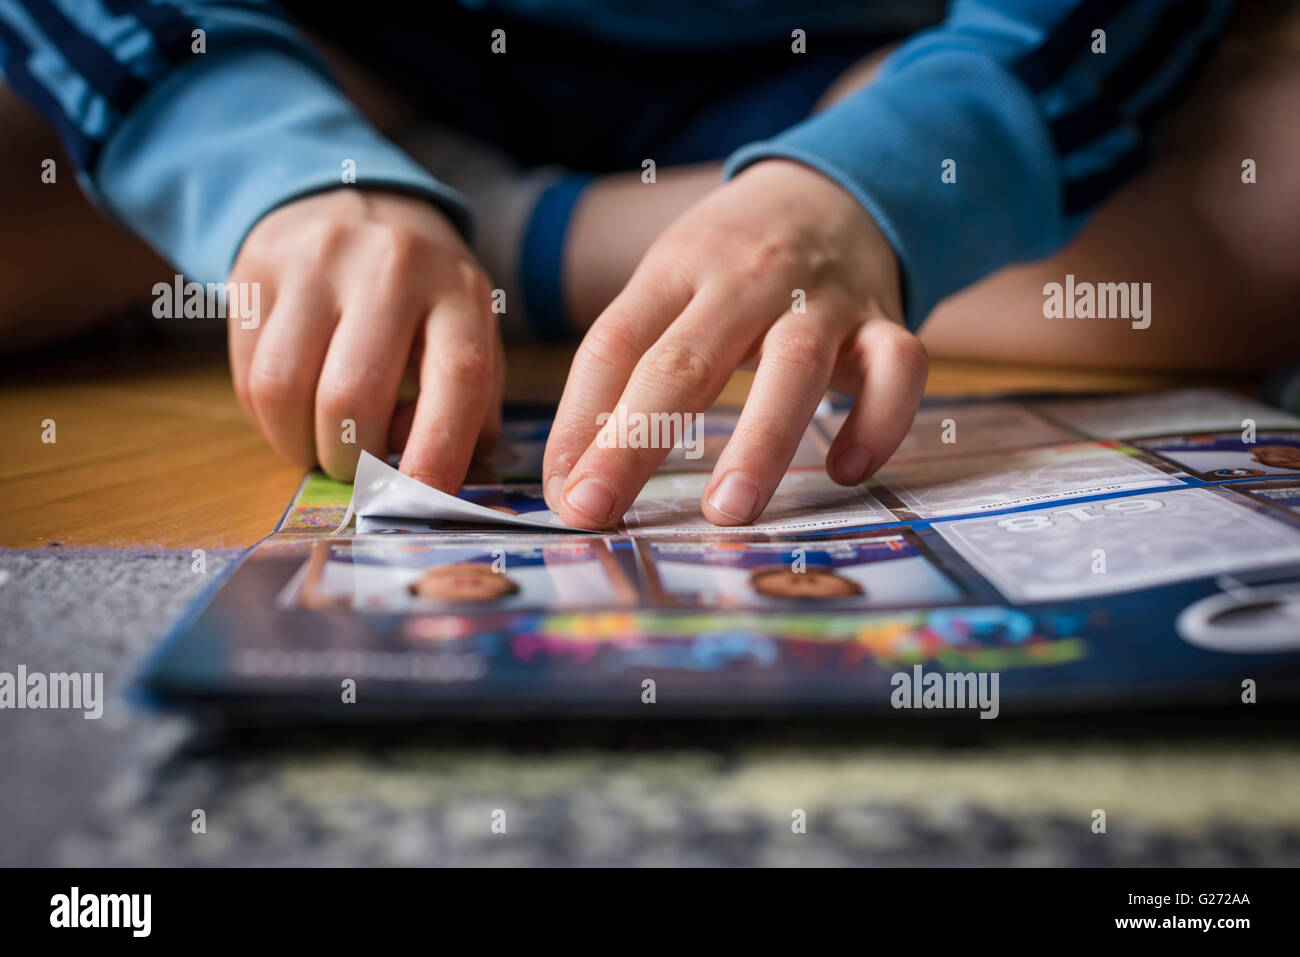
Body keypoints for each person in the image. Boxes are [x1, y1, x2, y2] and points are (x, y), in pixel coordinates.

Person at [2, 1, 1297, 530]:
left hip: (836, 79)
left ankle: (513, 232)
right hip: (322, 51)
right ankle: (435, 215)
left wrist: (860, 189)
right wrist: (261, 161)